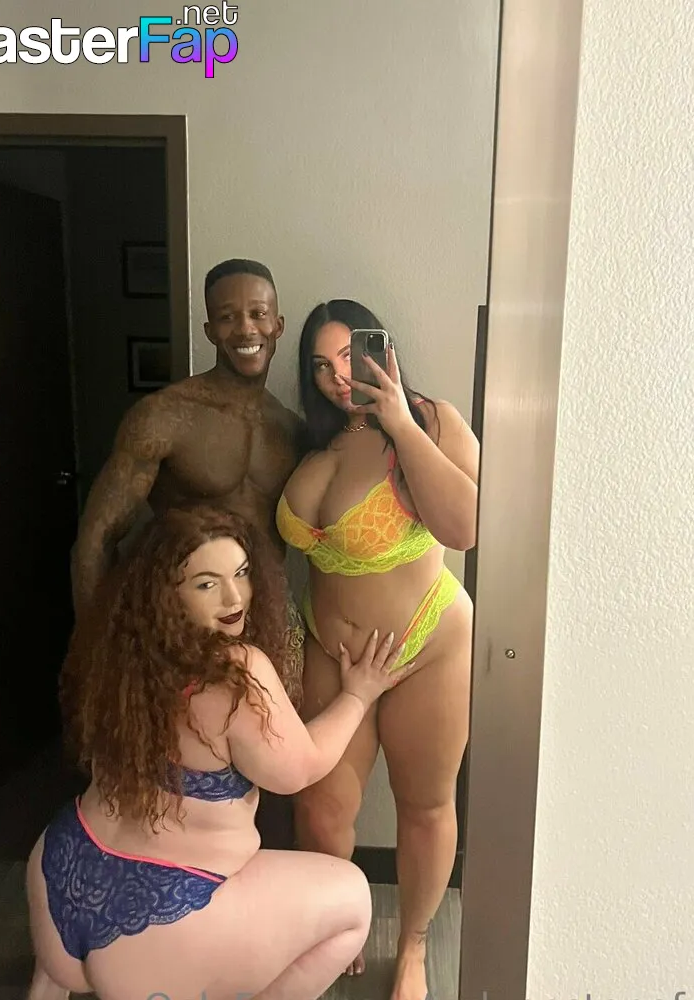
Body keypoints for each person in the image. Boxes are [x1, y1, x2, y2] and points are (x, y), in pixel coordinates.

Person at [27, 504, 416, 1000]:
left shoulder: (122, 658)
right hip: (154, 931)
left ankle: (51, 984)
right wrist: (358, 695)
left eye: (242, 573)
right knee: (354, 900)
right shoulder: (237, 671)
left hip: (59, 880)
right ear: (167, 594)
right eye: (206, 584)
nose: (235, 597)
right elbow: (302, 768)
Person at [276, 300, 479, 1000]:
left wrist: (399, 422)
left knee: (424, 803)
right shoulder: (311, 441)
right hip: (333, 653)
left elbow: (466, 527)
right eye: (319, 364)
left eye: (348, 356)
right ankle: (339, 925)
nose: (337, 376)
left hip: (427, 645)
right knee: (319, 810)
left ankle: (414, 944)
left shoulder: (431, 419)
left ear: (378, 351)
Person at [70, 257, 305, 848]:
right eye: (227, 317)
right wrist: (98, 654)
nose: (244, 328)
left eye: (258, 314)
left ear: (278, 325)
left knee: (275, 781)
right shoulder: (166, 415)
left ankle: (263, 894)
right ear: (208, 329)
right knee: (170, 790)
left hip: (267, 623)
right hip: (180, 630)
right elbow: (95, 539)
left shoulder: (294, 431)